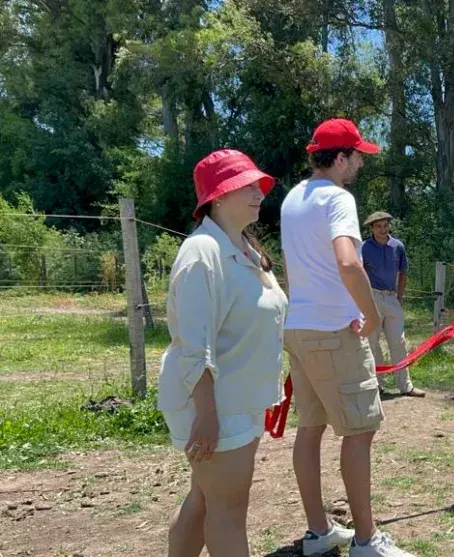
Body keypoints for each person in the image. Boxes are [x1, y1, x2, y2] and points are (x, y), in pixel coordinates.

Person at [281, 118, 415, 557]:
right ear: (339, 158)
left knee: (310, 427)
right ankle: (365, 540)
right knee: (359, 432)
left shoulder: (291, 199)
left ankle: (319, 531)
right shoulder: (338, 198)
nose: (359, 162)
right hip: (335, 329)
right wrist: (372, 315)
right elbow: (347, 261)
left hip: (299, 327)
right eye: (357, 155)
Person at [158, 149, 287, 557]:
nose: (257, 192)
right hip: (214, 404)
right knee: (228, 512)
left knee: (204, 500)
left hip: (237, 399)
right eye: (244, 186)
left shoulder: (244, 250)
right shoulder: (202, 253)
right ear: (216, 197)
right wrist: (208, 415)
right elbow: (195, 342)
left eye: (257, 184)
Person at [361, 211, 426, 397]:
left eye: (385, 225)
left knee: (398, 342)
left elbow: (403, 272)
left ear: (389, 226)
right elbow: (359, 273)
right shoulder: (364, 247)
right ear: (372, 228)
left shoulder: (398, 246)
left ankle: (406, 386)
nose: (382, 229)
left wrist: (399, 296)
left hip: (391, 298)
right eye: (378, 226)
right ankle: (376, 385)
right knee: (372, 344)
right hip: (371, 297)